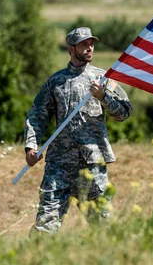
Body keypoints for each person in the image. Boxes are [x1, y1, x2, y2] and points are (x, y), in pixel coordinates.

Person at [24, 27, 132, 234]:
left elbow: (124, 113)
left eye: (91, 43)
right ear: (71, 49)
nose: (90, 47)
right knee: (45, 224)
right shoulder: (56, 81)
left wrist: (103, 98)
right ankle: (34, 261)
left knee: (102, 226)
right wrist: (31, 145)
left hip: (92, 164)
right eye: (84, 44)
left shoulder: (103, 79)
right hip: (59, 165)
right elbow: (37, 115)